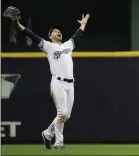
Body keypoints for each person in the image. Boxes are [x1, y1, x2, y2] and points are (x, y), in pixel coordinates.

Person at [16, 14, 90, 150]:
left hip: (70, 84)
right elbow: (32, 36)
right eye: (55, 31)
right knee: (62, 113)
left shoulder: (68, 45)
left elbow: (78, 35)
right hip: (58, 83)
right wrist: (19, 25)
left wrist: (83, 23)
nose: (58, 32)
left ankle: (47, 133)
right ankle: (58, 142)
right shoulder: (48, 46)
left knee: (66, 115)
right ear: (50, 35)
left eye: (59, 30)